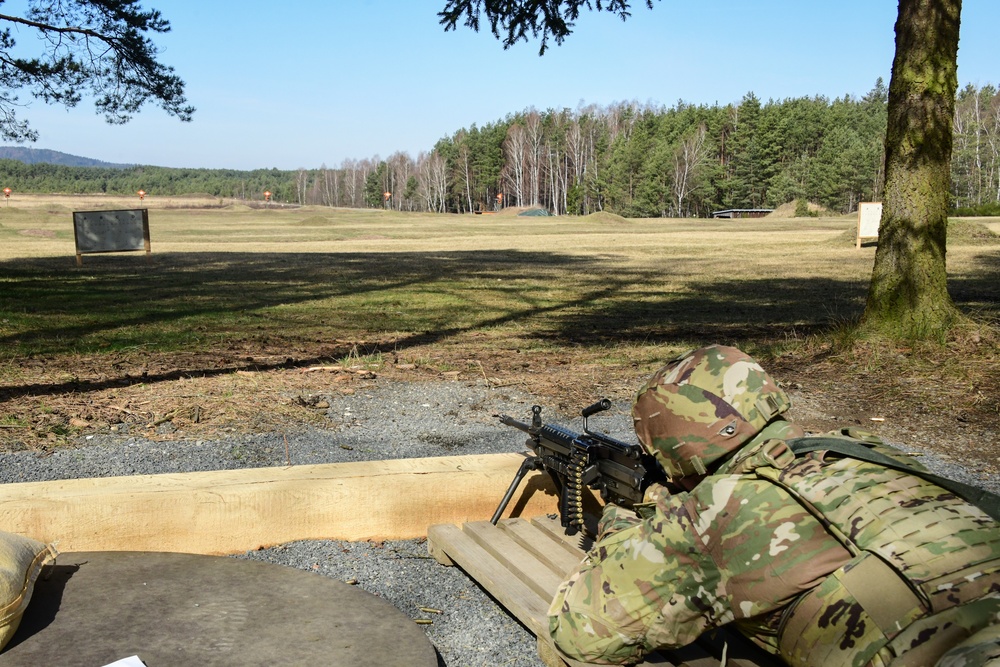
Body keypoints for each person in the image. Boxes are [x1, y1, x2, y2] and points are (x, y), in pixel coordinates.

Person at [547, 344, 1000, 667]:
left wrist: (625, 525)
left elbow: (579, 637)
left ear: (675, 452)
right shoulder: (862, 451)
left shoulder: (721, 508)